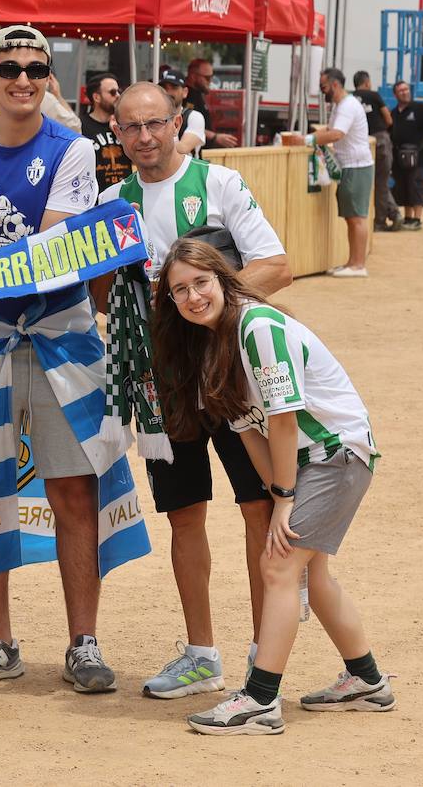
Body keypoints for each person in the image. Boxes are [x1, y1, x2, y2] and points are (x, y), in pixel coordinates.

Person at [0, 25, 120, 694]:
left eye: (35, 69)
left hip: (56, 331)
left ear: (49, 78)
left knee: (74, 487)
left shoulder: (72, 148)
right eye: (9, 68)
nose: (22, 80)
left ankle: (83, 642)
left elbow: (48, 256)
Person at [94, 81, 291, 702]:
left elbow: (276, 266)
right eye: (131, 127)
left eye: (156, 123)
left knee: (259, 511)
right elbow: (100, 298)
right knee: (185, 513)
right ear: (116, 134)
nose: (145, 137)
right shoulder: (110, 201)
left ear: (178, 122)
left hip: (229, 374)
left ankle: (266, 658)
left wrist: (199, 309)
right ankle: (202, 653)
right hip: (161, 387)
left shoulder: (219, 184)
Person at [152, 238, 391, 736]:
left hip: (336, 454)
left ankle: (260, 701)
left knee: (279, 567)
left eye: (201, 282)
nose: (194, 296)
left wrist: (283, 500)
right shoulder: (209, 342)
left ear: (222, 278)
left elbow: (281, 420)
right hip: (312, 460)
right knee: (310, 575)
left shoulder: (256, 326)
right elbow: (248, 429)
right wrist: (278, 489)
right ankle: (367, 681)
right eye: (180, 290)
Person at [312, 68, 373, 277]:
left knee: (357, 217)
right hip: (351, 166)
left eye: (324, 87)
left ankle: (358, 265)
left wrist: (308, 140)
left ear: (335, 84)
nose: (322, 91)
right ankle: (353, 262)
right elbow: (331, 130)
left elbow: (336, 134)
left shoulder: (346, 106)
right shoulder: (341, 105)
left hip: (356, 166)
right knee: (352, 216)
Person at [389, 81, 423, 231]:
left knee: (416, 185)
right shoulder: (394, 113)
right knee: (403, 186)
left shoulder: (419, 108)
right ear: (395, 94)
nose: (405, 92)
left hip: (417, 156)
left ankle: (417, 219)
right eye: (401, 90)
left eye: (406, 89)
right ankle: (408, 218)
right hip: (399, 157)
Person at [352, 71, 400, 232]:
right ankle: (388, 216)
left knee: (371, 183)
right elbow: (388, 118)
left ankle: (387, 216)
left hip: (360, 142)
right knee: (382, 181)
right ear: (367, 83)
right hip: (380, 140)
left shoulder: (350, 98)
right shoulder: (374, 95)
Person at [0, 67, 81, 131]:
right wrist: (58, 95)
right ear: (48, 78)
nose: (23, 82)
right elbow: (74, 127)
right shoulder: (48, 100)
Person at [80, 72, 131, 191]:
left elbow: (137, 158)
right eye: (112, 92)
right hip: (96, 200)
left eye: (119, 91)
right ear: (96, 97)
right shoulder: (80, 126)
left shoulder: (125, 124)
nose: (118, 96)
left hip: (125, 196)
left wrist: (120, 132)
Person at [186, 58, 238, 149]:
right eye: (207, 78)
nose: (210, 81)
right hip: (194, 151)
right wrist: (215, 137)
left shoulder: (198, 93)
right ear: (193, 76)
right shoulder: (187, 95)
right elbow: (187, 124)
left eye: (211, 77)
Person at [159, 69, 208, 156]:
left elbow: (182, 149)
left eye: (174, 88)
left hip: (190, 169)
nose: (168, 92)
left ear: (185, 92)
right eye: (164, 88)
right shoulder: (151, 118)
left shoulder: (194, 117)